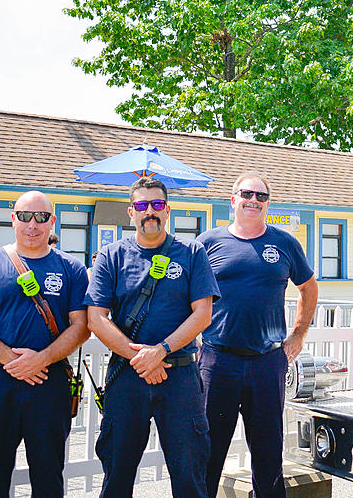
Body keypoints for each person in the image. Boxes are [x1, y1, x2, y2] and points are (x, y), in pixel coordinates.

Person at [86, 177, 219, 498]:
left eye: (157, 205)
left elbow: (202, 314)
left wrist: (161, 350)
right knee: (117, 474)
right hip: (127, 377)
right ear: (131, 212)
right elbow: (95, 318)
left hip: (180, 377)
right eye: (143, 206)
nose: (150, 212)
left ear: (168, 210)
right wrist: (141, 358)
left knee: (189, 475)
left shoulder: (191, 252)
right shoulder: (111, 256)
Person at [0, 191, 90, 498]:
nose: (33, 224)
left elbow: (81, 327)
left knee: (48, 478)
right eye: (26, 216)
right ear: (13, 219)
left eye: (42, 217)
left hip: (49, 382)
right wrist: (11, 360)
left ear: (52, 222)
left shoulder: (70, 269)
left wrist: (40, 360)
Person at [197, 173, 318, 498]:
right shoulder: (207, 243)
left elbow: (308, 287)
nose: (253, 200)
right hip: (217, 362)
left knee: (268, 457)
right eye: (246, 194)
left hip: (267, 364)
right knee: (206, 454)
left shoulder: (284, 243)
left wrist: (298, 334)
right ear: (233, 200)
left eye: (261, 196)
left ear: (267, 204)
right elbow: (186, 294)